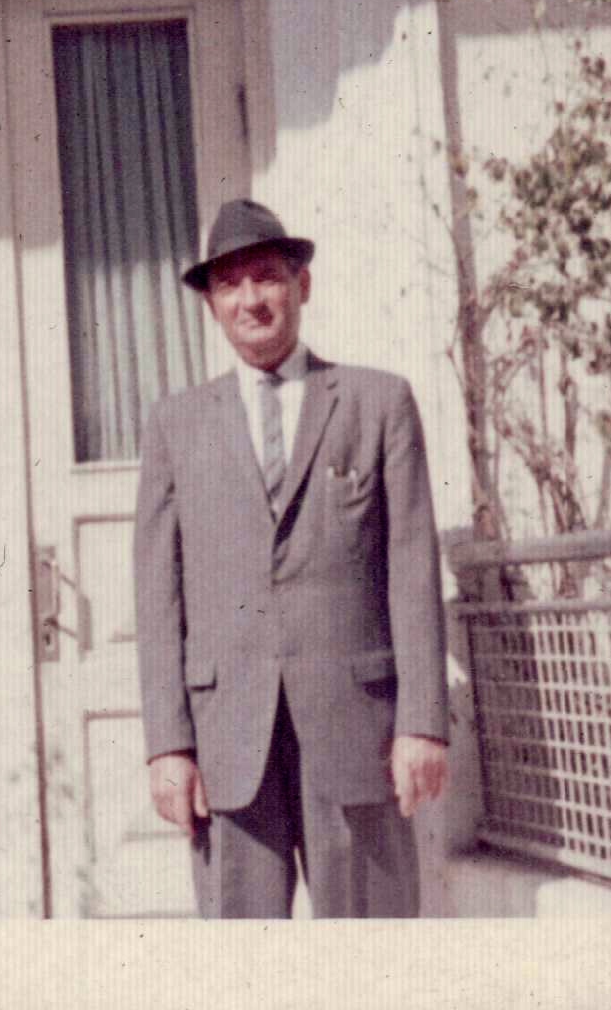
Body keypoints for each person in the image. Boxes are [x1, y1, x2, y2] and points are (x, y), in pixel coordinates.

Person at [132, 197, 449, 919]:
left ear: (301, 284)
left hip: (358, 734)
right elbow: (158, 599)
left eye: (268, 277)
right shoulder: (176, 426)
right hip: (227, 742)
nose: (251, 299)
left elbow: (412, 571)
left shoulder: (377, 403)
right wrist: (167, 746)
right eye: (230, 284)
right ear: (211, 305)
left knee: (374, 953)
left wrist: (423, 723)